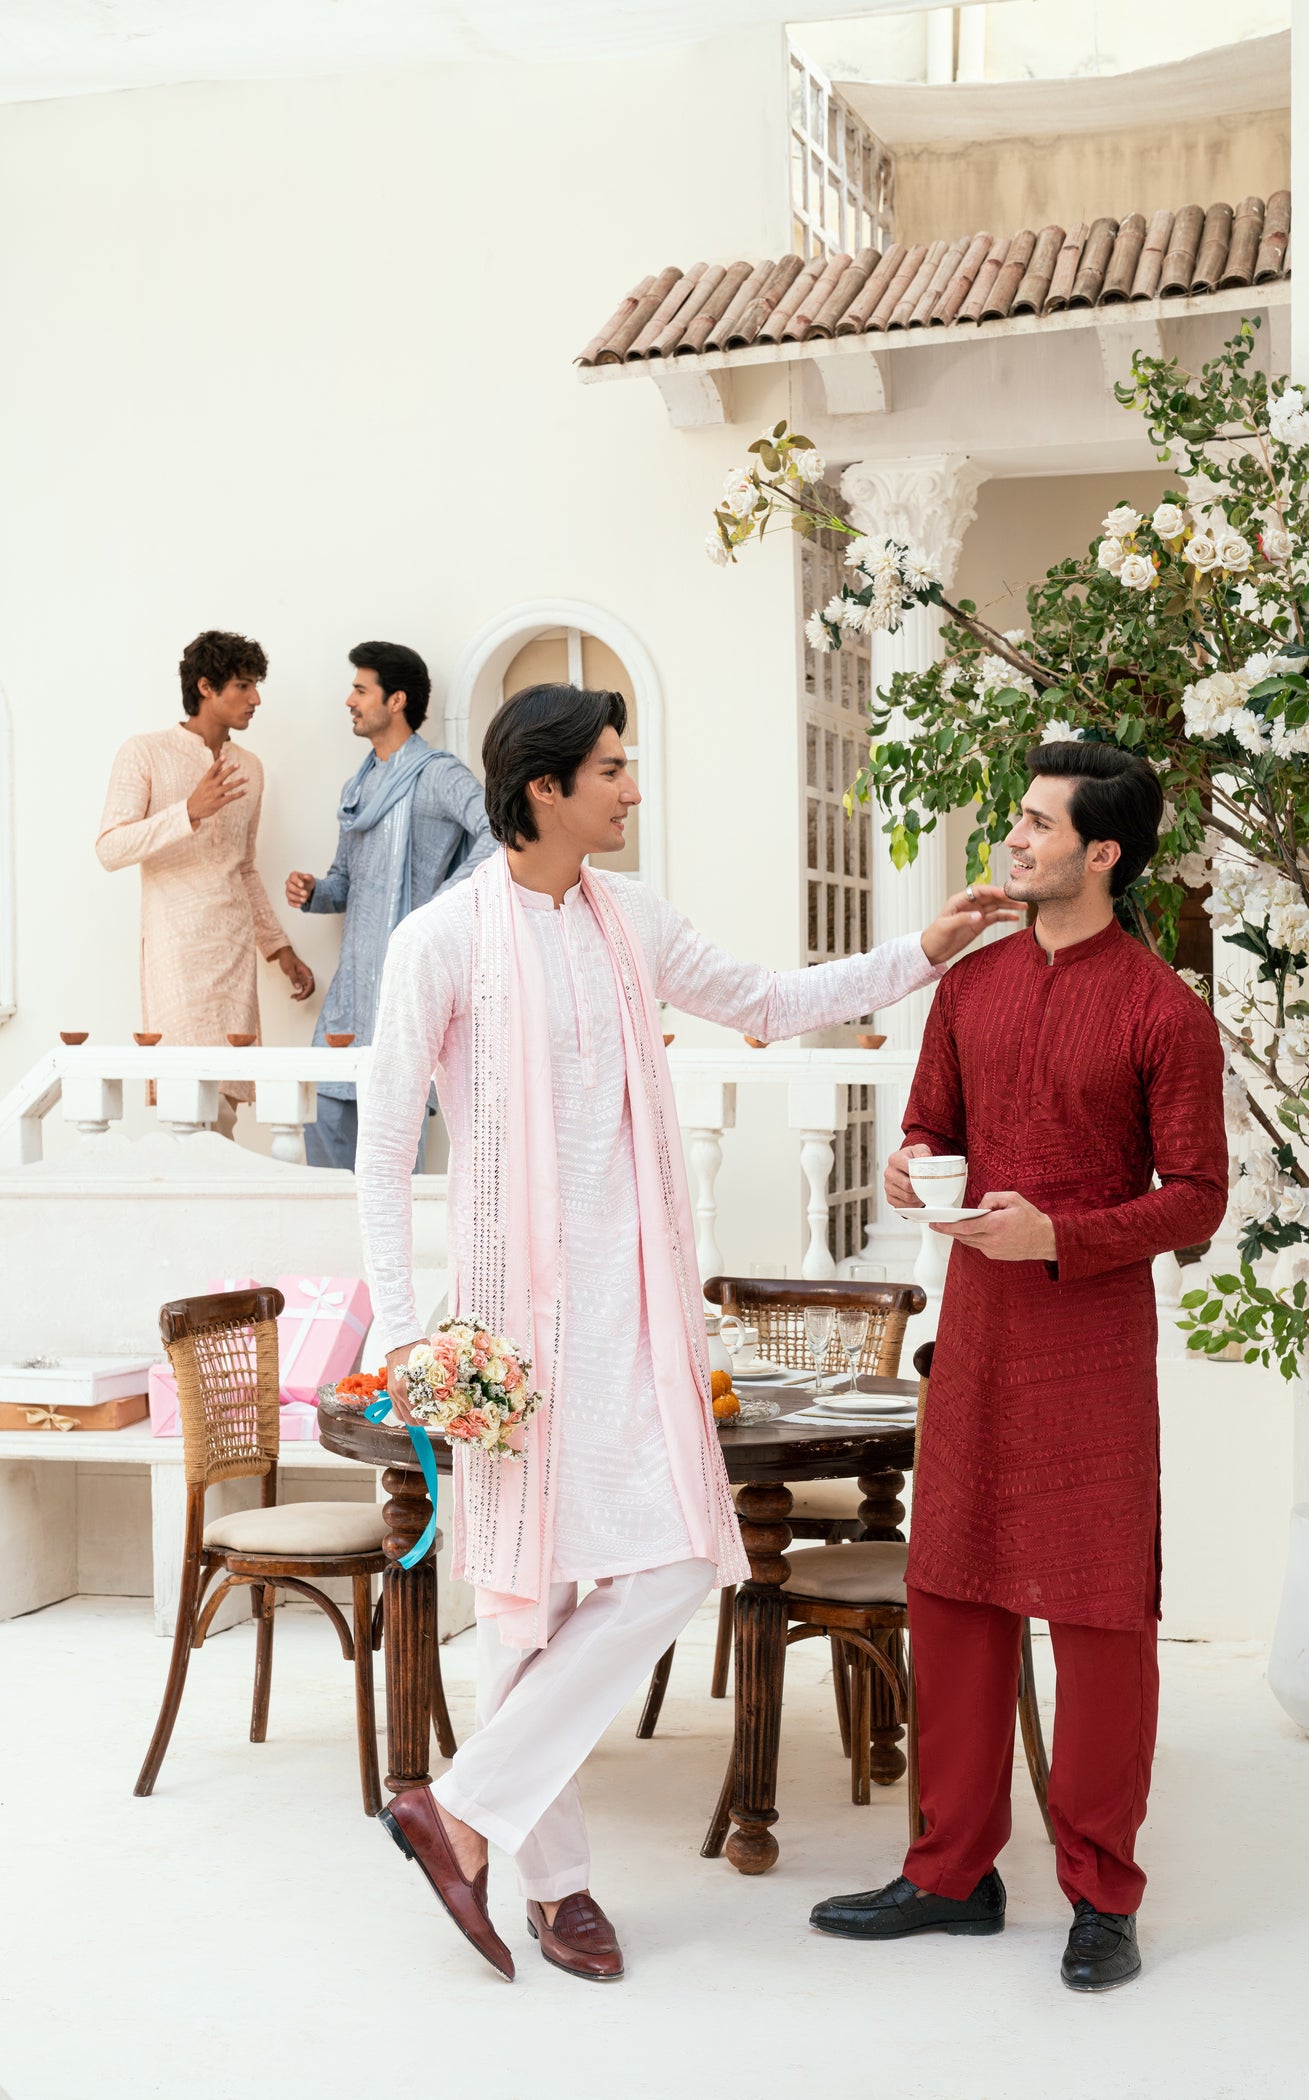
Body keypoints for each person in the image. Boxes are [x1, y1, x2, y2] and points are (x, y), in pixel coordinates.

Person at [356, 681, 1020, 1985]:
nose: (632, 787)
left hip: (639, 1311)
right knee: (527, 1606)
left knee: (672, 1561)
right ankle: (555, 1890)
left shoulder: (631, 920)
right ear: (544, 788)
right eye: (611, 768)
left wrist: (923, 951)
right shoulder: (441, 942)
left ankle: (461, 1809)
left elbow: (769, 1000)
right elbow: (383, 1156)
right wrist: (400, 1340)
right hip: (509, 1330)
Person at [810, 741, 1228, 1993]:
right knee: (952, 1595)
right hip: (977, 1335)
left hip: (1090, 1344)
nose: (1015, 838)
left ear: (1102, 852)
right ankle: (950, 1874)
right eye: (1020, 818)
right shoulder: (971, 985)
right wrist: (909, 1167)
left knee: (1098, 1617)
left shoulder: (1161, 1011)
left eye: (1040, 824)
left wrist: (1063, 1237)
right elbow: (927, 1124)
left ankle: (1102, 1894)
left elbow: (1196, 1198)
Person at [286, 641, 495, 1170]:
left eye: (361, 690)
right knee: (321, 1125)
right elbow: (345, 881)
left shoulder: (438, 774)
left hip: (404, 987)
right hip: (351, 996)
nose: (350, 701)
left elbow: (498, 832)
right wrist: (315, 892)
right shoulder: (359, 787)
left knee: (391, 1161)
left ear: (396, 700)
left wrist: (439, 905)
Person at [96, 630, 314, 1137]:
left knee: (225, 1108)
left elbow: (244, 867)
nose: (255, 699)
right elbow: (110, 848)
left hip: (234, 952)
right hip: (176, 949)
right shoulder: (146, 753)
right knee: (186, 1102)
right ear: (206, 687)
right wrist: (188, 812)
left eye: (256, 685)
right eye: (243, 685)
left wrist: (279, 949)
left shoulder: (249, 768)